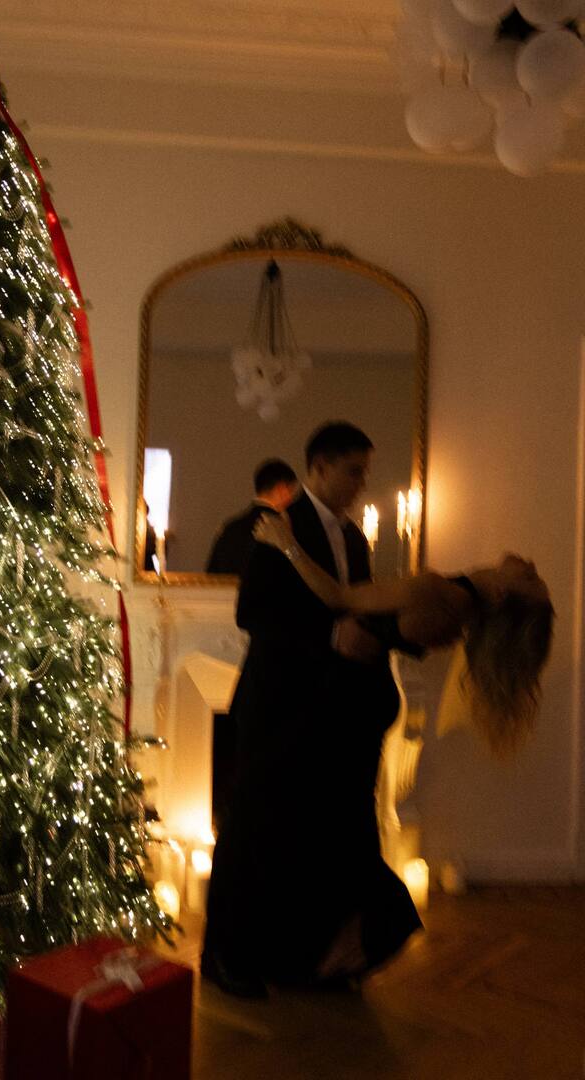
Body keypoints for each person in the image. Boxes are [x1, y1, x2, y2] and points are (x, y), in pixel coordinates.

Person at [202, 421, 422, 999]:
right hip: (274, 705)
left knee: (309, 836)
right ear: (320, 468)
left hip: (328, 710)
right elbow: (253, 613)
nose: (362, 482)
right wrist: (328, 637)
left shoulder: (353, 539)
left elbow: (358, 606)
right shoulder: (277, 528)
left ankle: (307, 959)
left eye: (365, 472)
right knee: (249, 829)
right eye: (354, 471)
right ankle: (222, 958)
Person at [254, 511, 554, 758]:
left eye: (529, 577)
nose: (530, 564)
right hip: (358, 701)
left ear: (500, 595)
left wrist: (284, 541)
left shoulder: (437, 593)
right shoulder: (455, 616)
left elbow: (337, 597)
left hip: (341, 704)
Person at [205, 458, 298, 576]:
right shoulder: (280, 526)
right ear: (281, 489)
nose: (291, 499)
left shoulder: (229, 527)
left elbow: (211, 573)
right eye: (291, 491)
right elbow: (293, 567)